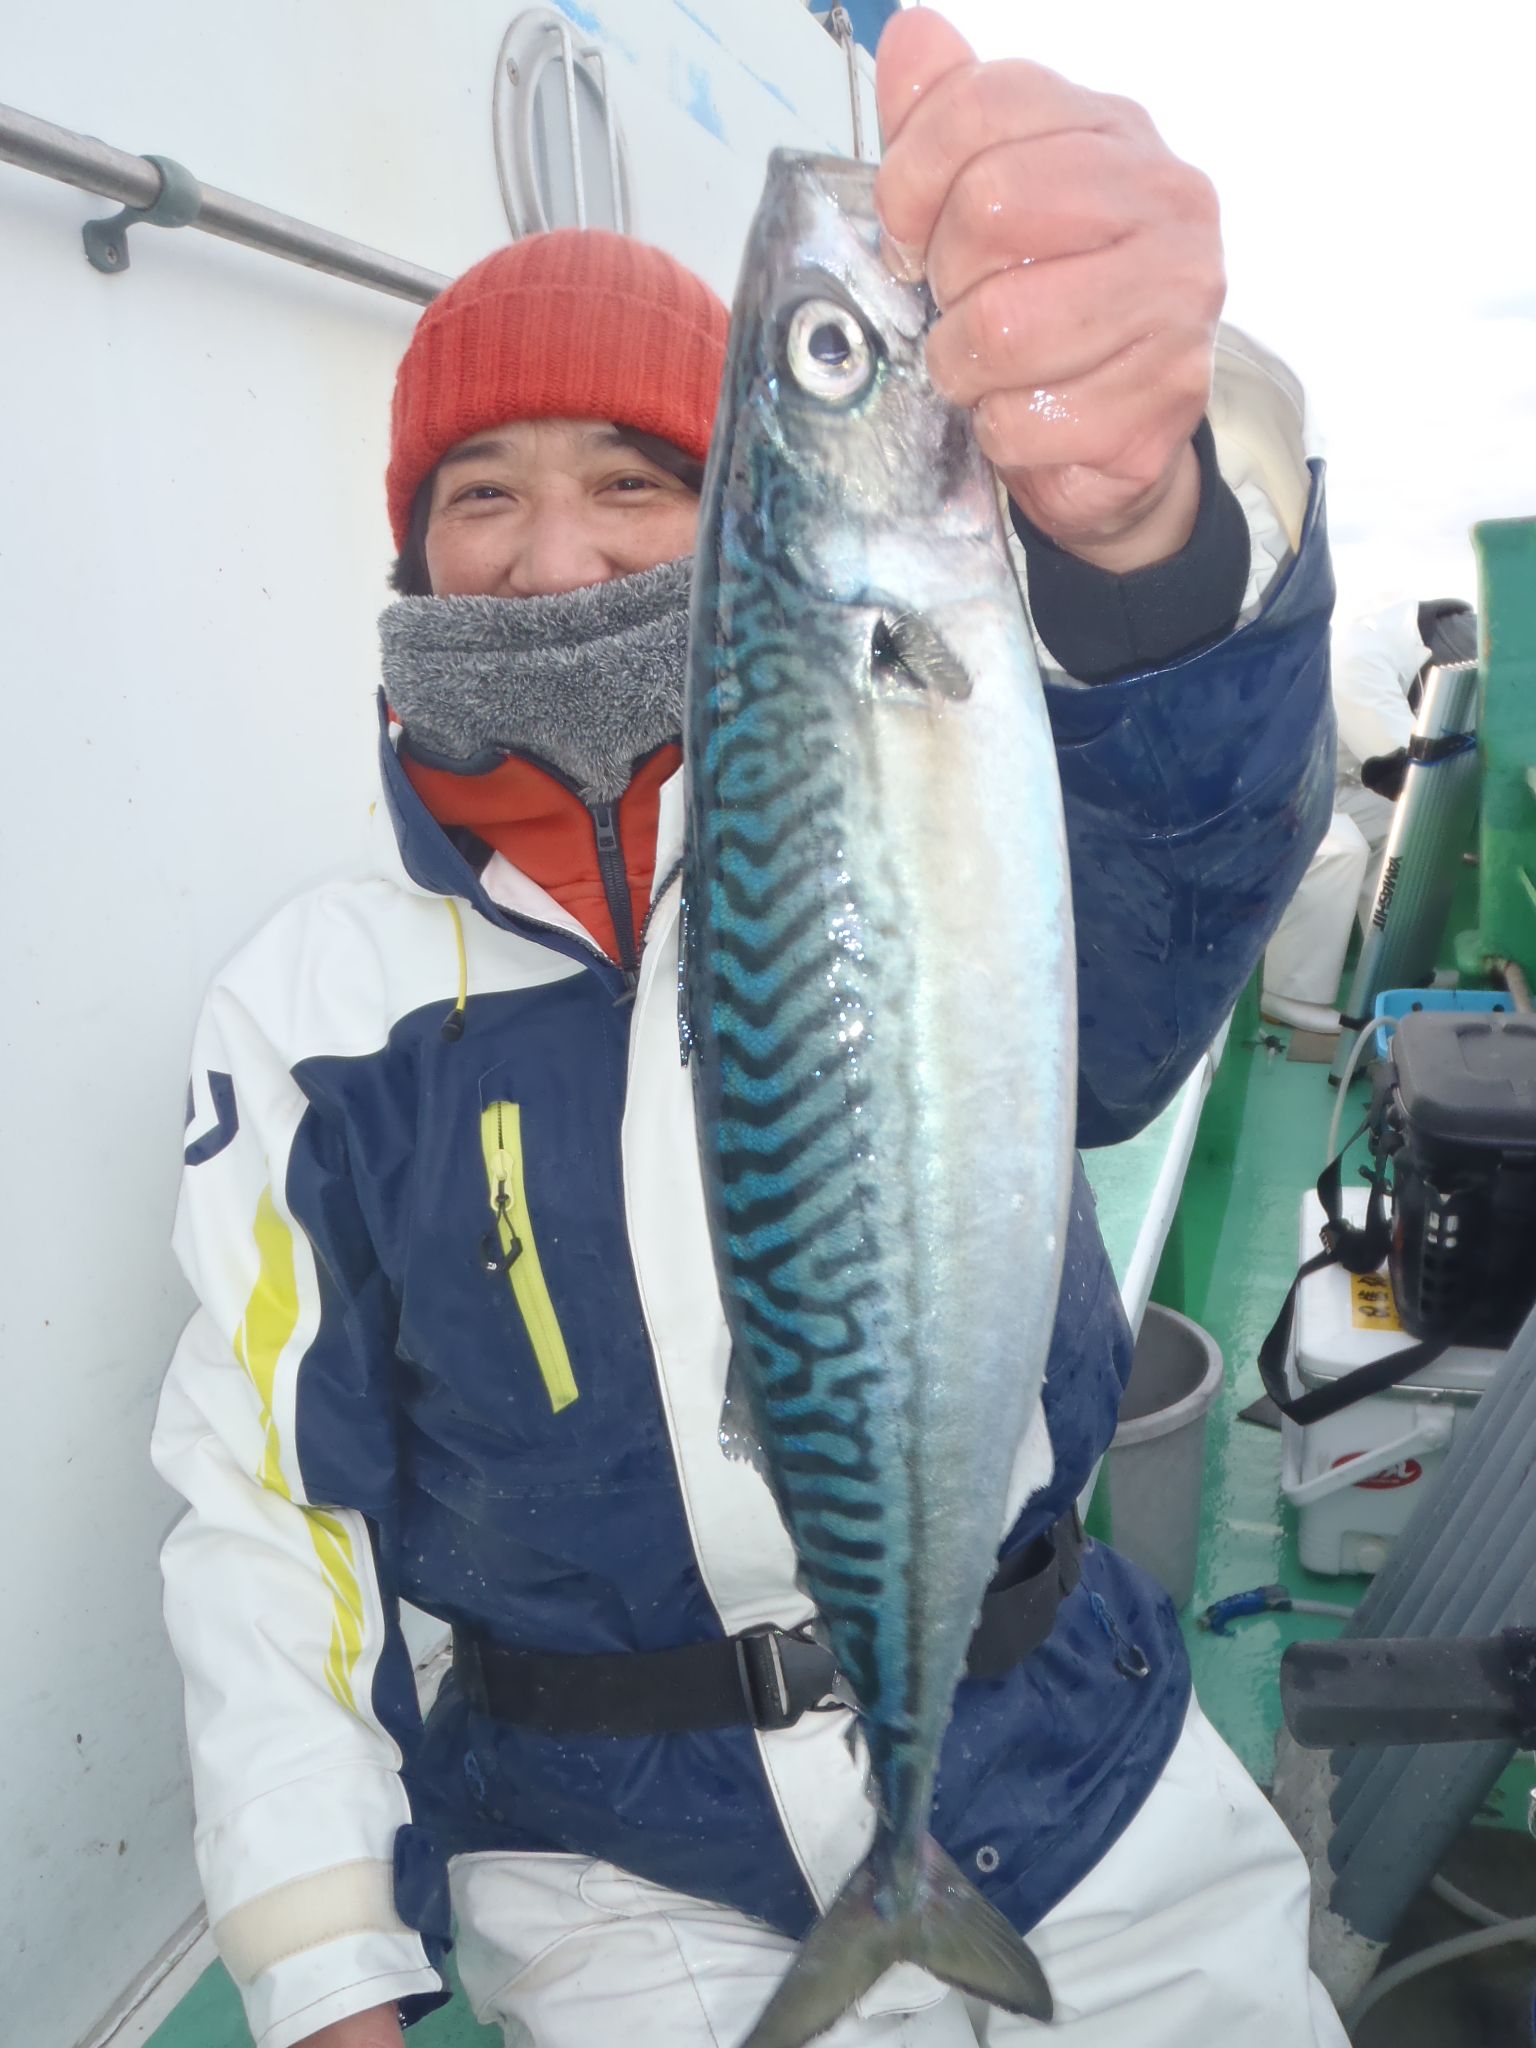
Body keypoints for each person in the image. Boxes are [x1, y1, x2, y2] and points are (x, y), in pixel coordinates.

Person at [152, 12, 1344, 2048]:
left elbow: (1158, 909)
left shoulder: (910, 809)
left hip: (1074, 1756)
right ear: (409, 549)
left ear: (735, 527)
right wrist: (325, 1956)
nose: (556, 551)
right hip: (619, 1878)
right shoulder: (318, 1013)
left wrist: (1144, 542)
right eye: (482, 492)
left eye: (634, 480)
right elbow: (274, 1513)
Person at [1262, 595, 1476, 1033]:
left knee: (1396, 827)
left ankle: (1388, 974)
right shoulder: (1356, 660)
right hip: (1257, 793)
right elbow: (1407, 775)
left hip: (1317, 780)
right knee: (1342, 848)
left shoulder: (1401, 644)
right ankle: (1287, 996)